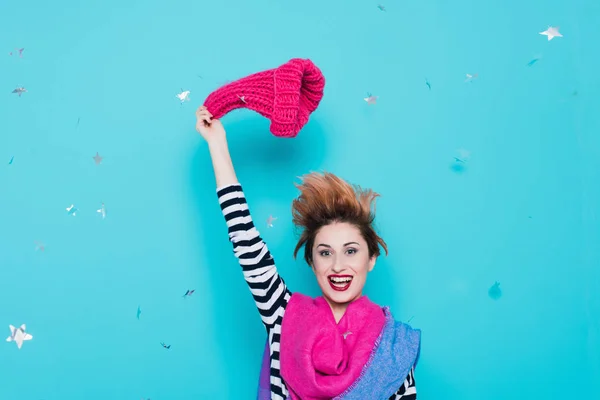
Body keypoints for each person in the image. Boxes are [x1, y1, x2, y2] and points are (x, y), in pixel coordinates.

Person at [196, 106, 421, 400]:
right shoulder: (283, 317)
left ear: (371, 259)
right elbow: (245, 240)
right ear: (312, 263)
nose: (338, 265)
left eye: (351, 251)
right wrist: (217, 144)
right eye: (325, 253)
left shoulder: (393, 347)